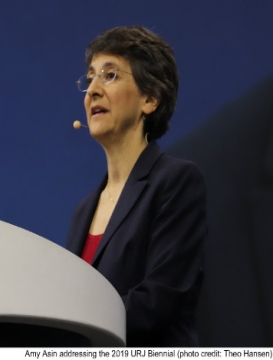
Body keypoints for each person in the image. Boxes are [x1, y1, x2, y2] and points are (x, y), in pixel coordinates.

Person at [65, 26, 207, 347]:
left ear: (149, 98)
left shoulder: (176, 181)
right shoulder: (83, 211)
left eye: (110, 75)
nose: (92, 91)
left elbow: (157, 303)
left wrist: (70, 332)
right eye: (90, 79)